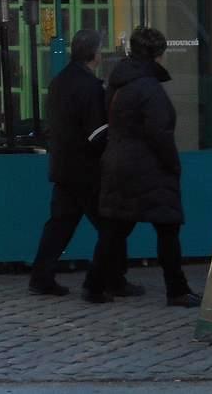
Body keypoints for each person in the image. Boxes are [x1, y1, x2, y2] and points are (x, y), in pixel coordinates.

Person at [26, 29, 136, 303]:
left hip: (64, 166)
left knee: (60, 225)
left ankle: (41, 276)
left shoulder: (59, 81)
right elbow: (97, 133)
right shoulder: (89, 86)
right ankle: (112, 279)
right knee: (112, 225)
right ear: (95, 54)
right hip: (87, 169)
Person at [95, 26, 201, 308]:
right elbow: (159, 133)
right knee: (167, 228)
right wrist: (172, 164)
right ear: (158, 54)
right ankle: (176, 289)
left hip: (119, 162)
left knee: (115, 227)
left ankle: (95, 283)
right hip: (148, 168)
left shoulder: (120, 81)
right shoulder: (149, 88)